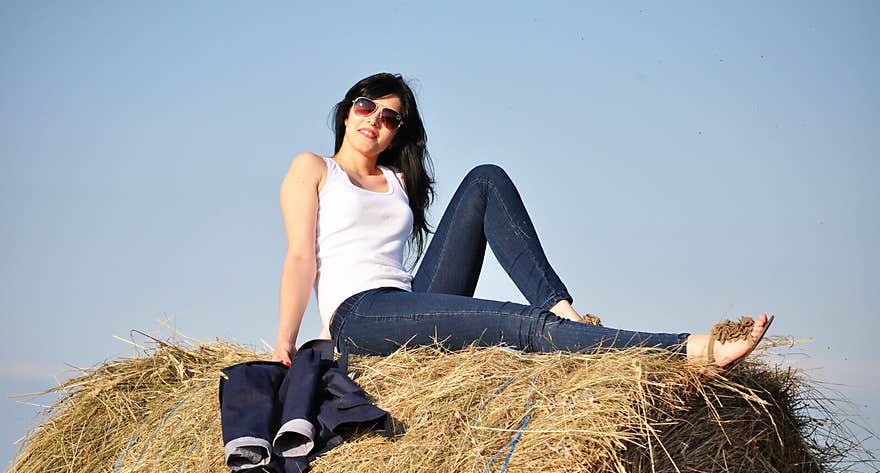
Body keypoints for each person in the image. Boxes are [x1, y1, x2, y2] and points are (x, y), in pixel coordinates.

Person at [271, 72, 772, 372]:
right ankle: (688, 350)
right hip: (358, 317)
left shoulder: (398, 179)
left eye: (390, 116)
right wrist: (285, 344)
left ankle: (563, 309)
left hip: (404, 301)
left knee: (486, 178)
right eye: (366, 105)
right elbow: (299, 258)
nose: (374, 119)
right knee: (516, 325)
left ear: (398, 132)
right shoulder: (315, 169)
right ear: (346, 109)